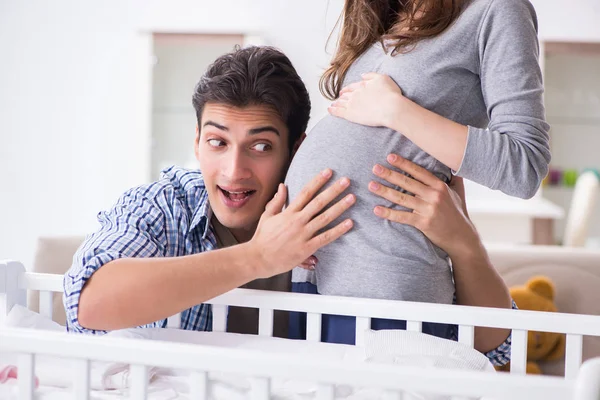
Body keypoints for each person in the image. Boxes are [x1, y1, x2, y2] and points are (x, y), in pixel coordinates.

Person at [63, 45, 512, 367]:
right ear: (197, 143)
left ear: (296, 151)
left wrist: (465, 246)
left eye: (260, 146)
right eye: (218, 142)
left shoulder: (339, 213)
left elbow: (493, 350)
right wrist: (257, 257)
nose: (234, 170)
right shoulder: (167, 205)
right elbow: (89, 302)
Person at [285, 0, 546, 346]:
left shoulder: (496, 10)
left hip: (385, 282)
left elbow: (524, 164)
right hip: (312, 274)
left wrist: (396, 110)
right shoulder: (387, 16)